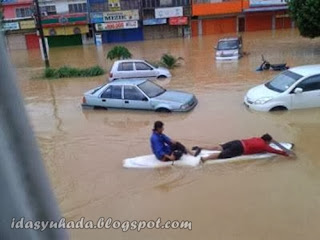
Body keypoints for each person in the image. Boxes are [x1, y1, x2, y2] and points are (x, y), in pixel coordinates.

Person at [193, 133, 295, 163]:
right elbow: (277, 151)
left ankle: (199, 148)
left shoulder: (257, 138)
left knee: (219, 147)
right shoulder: (264, 146)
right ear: (267, 141)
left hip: (237, 141)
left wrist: (270, 141)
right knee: (222, 154)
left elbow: (264, 141)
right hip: (240, 149)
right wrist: (288, 154)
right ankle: (203, 159)